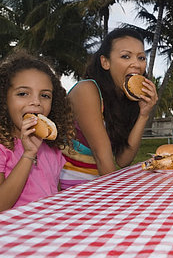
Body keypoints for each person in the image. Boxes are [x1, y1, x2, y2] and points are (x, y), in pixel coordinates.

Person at [0, 52, 74, 224]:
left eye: (45, 95)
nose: (36, 101)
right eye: (23, 93)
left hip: (37, 233)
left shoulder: (50, 149)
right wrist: (28, 154)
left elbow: (51, 196)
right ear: (4, 99)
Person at [60, 28, 158, 189]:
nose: (136, 64)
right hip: (73, 189)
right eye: (126, 56)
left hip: (102, 184)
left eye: (141, 57)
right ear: (105, 62)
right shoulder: (87, 90)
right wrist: (120, 197)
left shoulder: (126, 100)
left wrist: (144, 114)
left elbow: (123, 160)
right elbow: (102, 156)